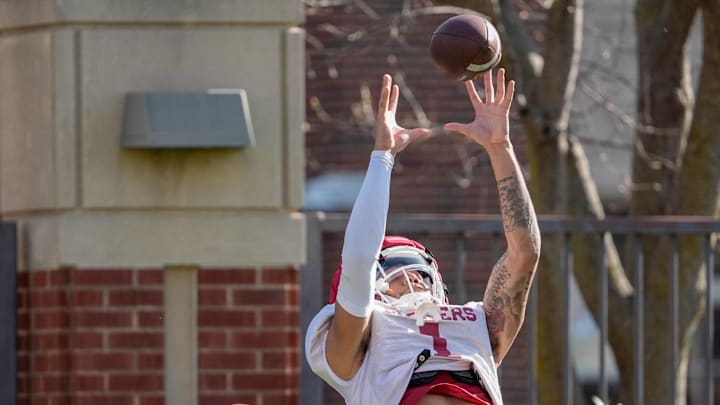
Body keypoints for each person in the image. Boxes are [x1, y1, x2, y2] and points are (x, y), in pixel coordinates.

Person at [305, 69, 541, 405]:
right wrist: (382, 157)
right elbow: (359, 259)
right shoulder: (358, 347)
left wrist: (500, 147)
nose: (413, 278)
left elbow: (525, 253)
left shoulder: (477, 326)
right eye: (397, 270)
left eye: (419, 270)